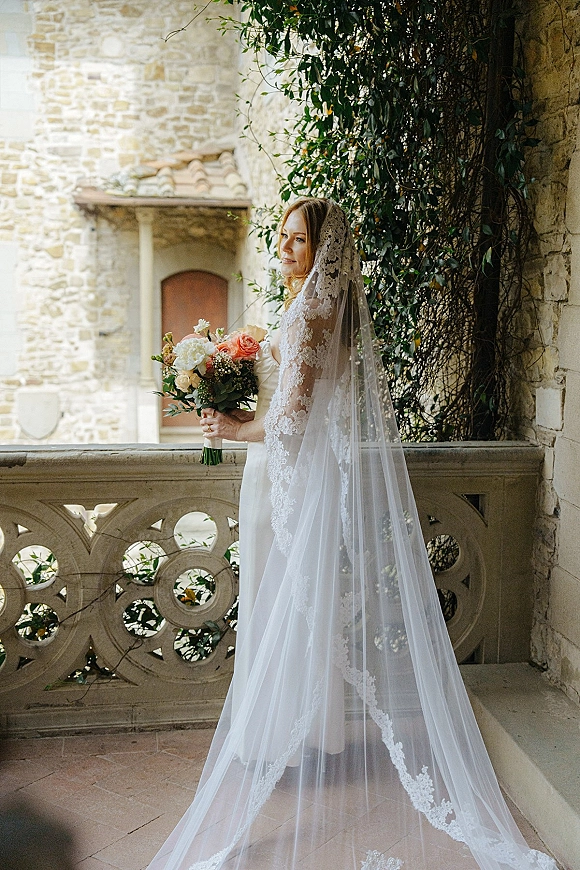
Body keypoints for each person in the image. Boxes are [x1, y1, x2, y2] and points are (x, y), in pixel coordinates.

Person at [147, 199, 556, 870]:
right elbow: (290, 404)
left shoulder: (312, 313)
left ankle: (289, 740)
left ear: (322, 250)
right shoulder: (324, 312)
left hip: (285, 479)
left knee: (285, 605)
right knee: (295, 606)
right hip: (293, 476)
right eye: (281, 238)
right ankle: (310, 737)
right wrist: (245, 409)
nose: (284, 249)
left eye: (297, 240)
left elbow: (292, 420)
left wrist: (228, 426)